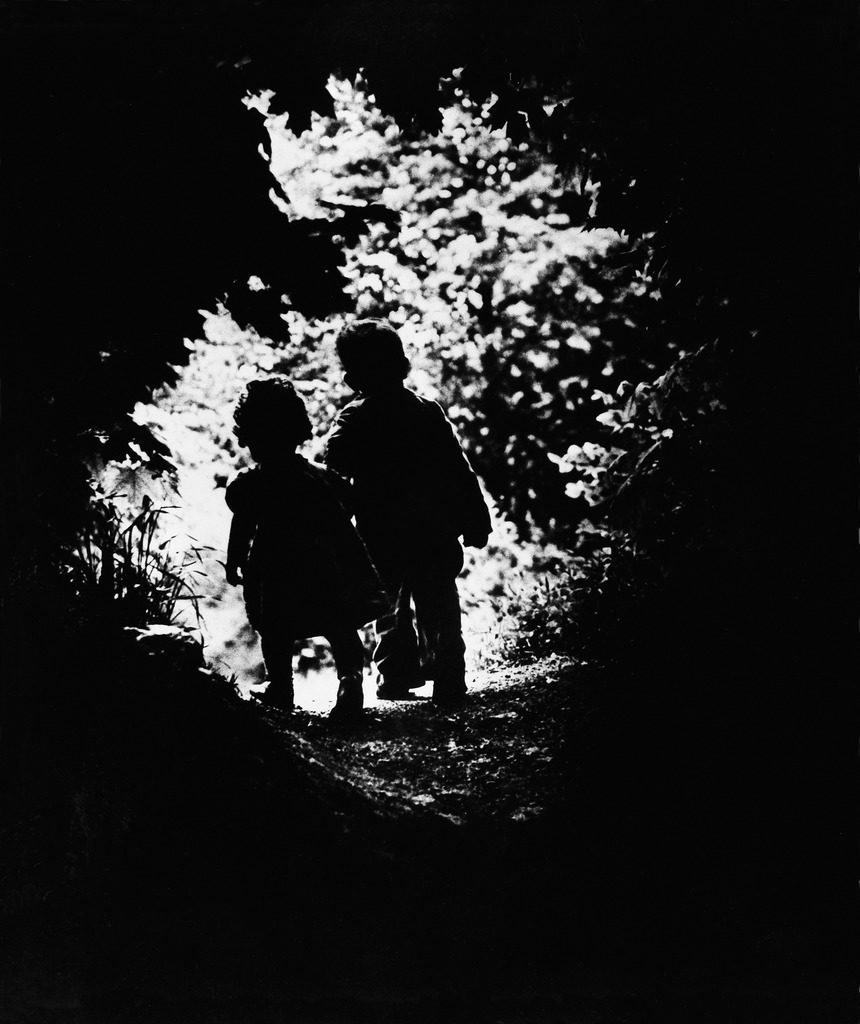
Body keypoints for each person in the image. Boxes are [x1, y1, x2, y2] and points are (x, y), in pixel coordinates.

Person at [324, 319, 491, 705]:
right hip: (434, 527)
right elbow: (458, 469)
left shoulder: (354, 417)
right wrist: (475, 518)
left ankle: (396, 677)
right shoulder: (427, 411)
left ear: (352, 378)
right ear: (403, 365)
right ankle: (449, 675)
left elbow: (335, 462)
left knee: (389, 609)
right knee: (440, 603)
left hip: (380, 530)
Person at [224, 376, 386, 720]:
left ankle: (281, 687)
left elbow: (242, 524)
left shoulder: (252, 484)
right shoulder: (320, 476)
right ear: (298, 429)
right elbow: (351, 502)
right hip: (325, 568)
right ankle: (350, 680)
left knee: (275, 630)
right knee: (340, 626)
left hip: (276, 570)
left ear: (249, 436)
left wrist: (233, 560)